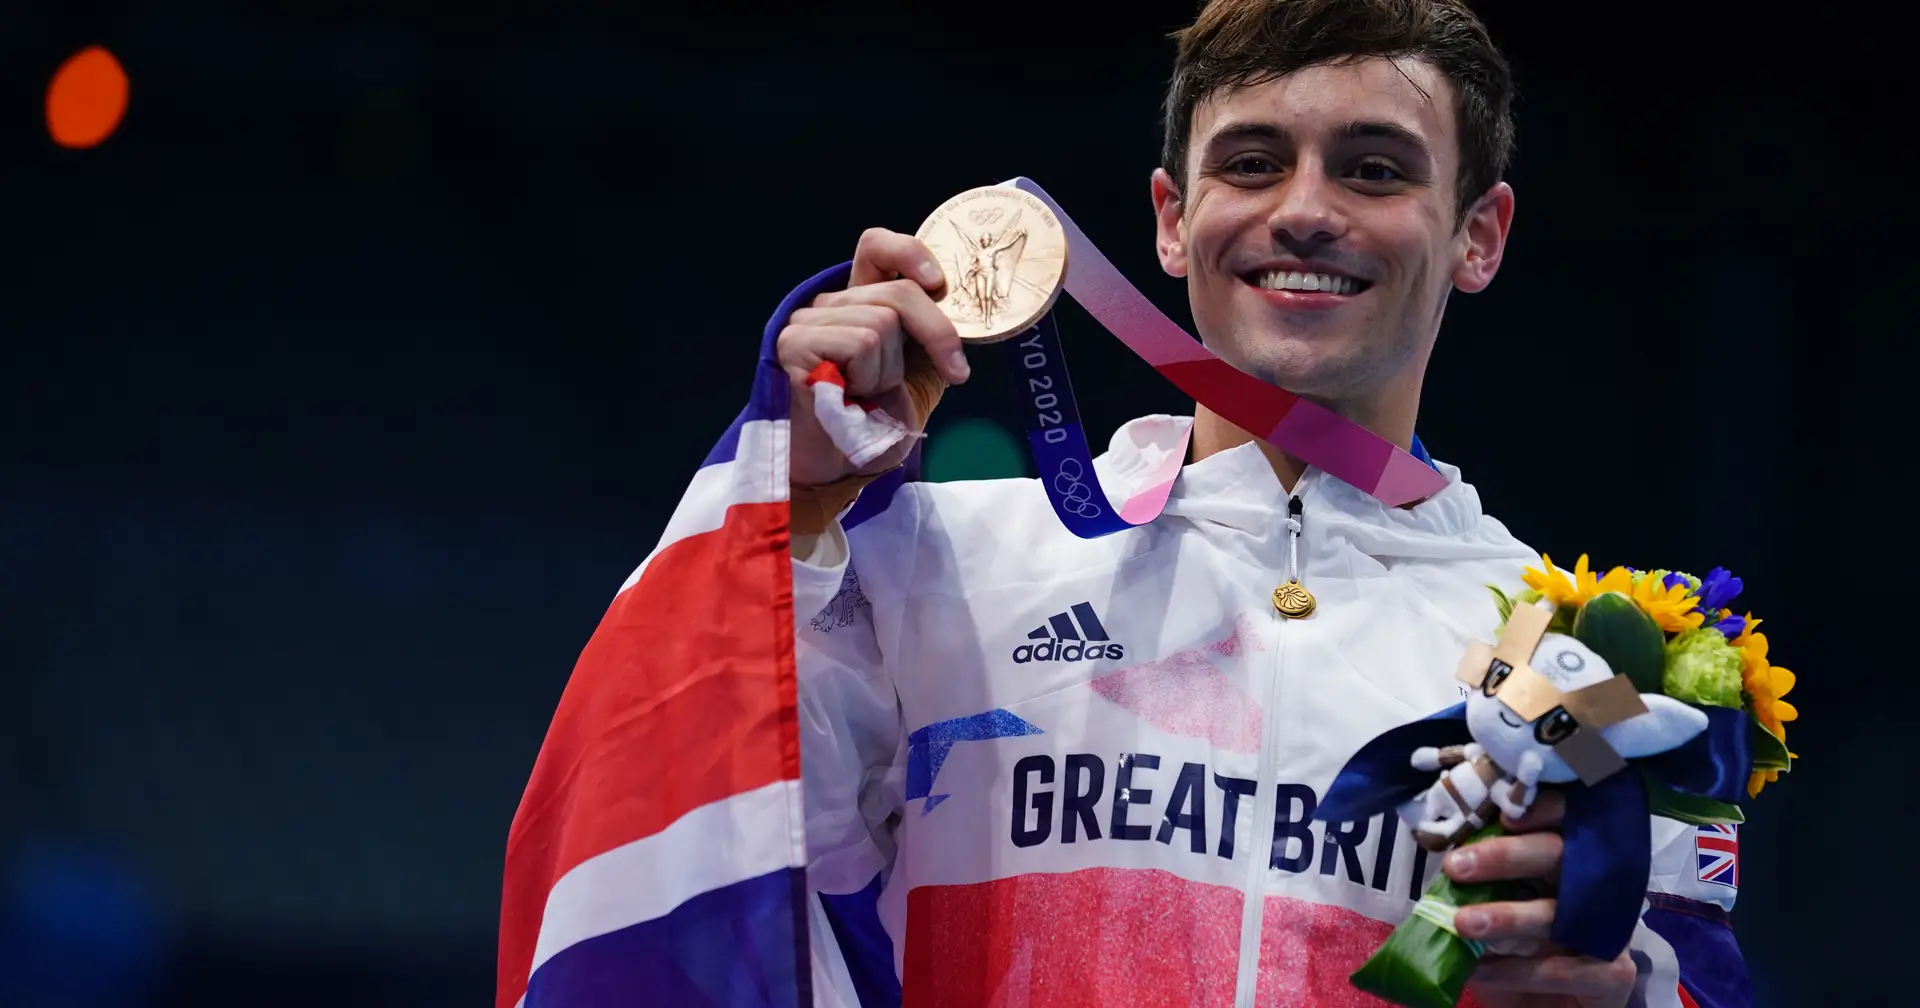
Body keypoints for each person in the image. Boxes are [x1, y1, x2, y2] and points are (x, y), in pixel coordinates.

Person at [507, 1, 1753, 1006]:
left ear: (1479, 236)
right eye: (1253, 162)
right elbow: (707, 826)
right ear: (1170, 220)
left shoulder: (1574, 656)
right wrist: (792, 509)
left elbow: (1690, 976)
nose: (1305, 209)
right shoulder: (943, 560)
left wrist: (1618, 988)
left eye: (1374, 169)